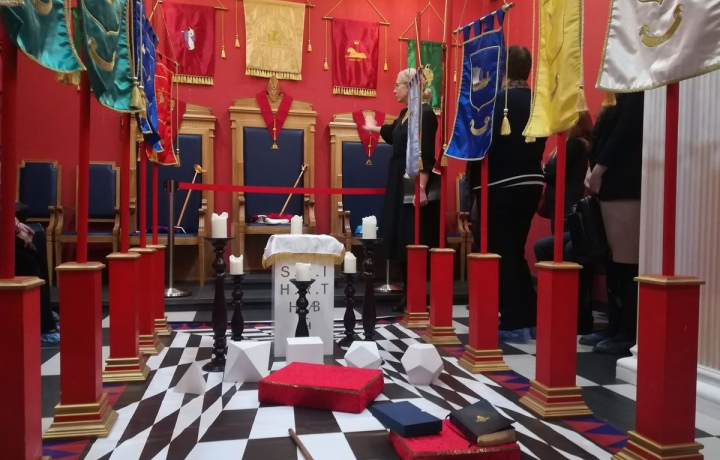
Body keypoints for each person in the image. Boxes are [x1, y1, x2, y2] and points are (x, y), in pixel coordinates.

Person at [467, 46, 548, 343]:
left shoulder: (494, 101)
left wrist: (472, 188)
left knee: (502, 253)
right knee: (514, 250)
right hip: (531, 183)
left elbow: (477, 144)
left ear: (502, 68)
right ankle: (528, 314)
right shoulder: (538, 101)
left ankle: (514, 319)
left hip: (499, 184)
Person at [363, 68, 440, 312]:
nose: (394, 89)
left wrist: (421, 188)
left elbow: (427, 154)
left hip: (413, 183)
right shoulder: (406, 113)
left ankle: (417, 295)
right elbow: (392, 132)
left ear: (410, 87)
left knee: (413, 238)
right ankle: (409, 293)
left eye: (398, 85)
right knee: (401, 240)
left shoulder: (425, 114)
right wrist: (372, 127)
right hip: (397, 181)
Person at [582, 92, 644, 355]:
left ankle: (628, 332)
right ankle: (614, 326)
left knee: (626, 262)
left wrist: (599, 168)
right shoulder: (617, 93)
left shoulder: (636, 91)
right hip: (611, 183)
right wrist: (593, 167)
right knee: (613, 261)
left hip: (624, 182)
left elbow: (626, 131)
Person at [533, 111, 594, 335]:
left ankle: (572, 312)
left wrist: (545, 168)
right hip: (564, 203)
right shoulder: (579, 144)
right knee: (563, 254)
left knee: (566, 258)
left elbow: (551, 171)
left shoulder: (575, 145)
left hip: (566, 205)